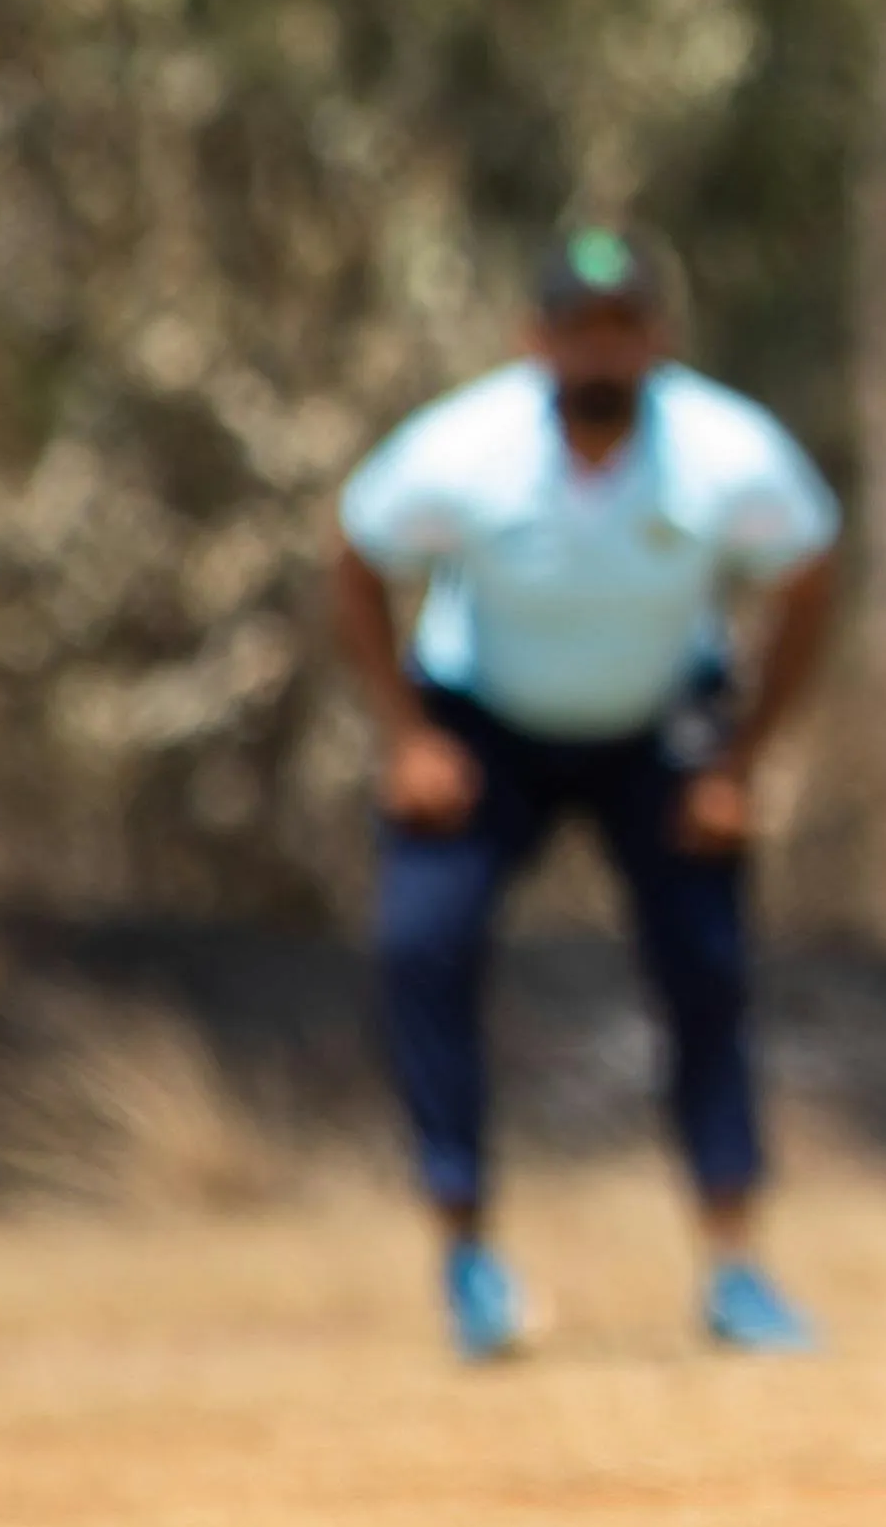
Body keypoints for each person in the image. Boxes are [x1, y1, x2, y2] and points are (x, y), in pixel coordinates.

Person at [328, 227, 850, 1363]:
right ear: (537, 341)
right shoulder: (465, 449)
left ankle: (735, 1266)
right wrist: (409, 738)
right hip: (485, 720)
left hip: (660, 725)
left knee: (705, 968)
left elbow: (810, 574)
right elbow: (357, 552)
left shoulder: (725, 451)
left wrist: (740, 761)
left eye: (623, 328)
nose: (601, 352)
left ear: (656, 339)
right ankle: (465, 1251)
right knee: (423, 944)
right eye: (580, 330)